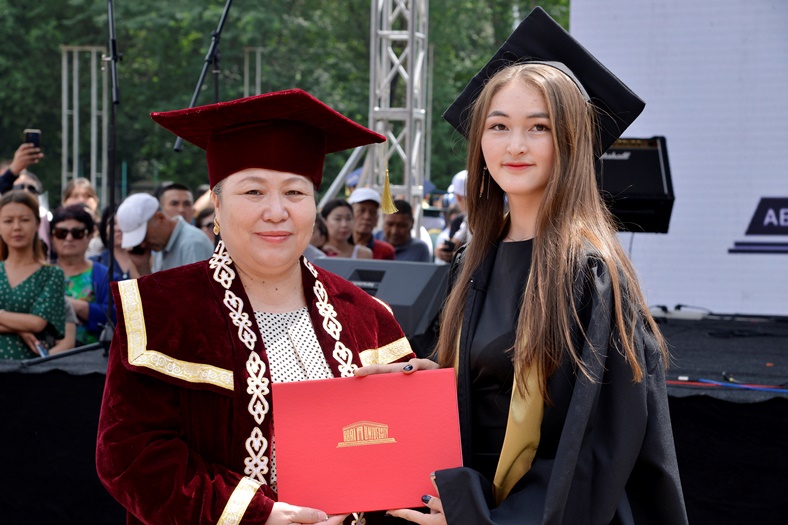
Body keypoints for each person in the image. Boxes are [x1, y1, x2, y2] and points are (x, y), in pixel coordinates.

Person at [358, 7, 687, 524]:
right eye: (498, 126)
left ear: (571, 142)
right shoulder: (473, 260)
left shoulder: (590, 274)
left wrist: (483, 518)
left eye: (539, 127)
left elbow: (596, 446)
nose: (514, 145)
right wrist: (435, 380)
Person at [96, 88, 416, 525]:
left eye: (295, 192)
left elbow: (401, 458)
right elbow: (129, 456)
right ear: (217, 204)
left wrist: (420, 402)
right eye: (253, 191)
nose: (277, 211)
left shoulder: (367, 316)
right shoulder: (160, 310)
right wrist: (259, 514)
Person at [0, 190, 65, 359]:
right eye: (8, 221)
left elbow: (37, 323)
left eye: (24, 220)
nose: (16, 227)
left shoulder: (52, 274)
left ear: (37, 224)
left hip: (29, 368)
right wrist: (20, 329)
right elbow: (29, 323)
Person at [50, 204, 111, 346]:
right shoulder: (40, 273)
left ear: (90, 236)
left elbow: (118, 316)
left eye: (77, 233)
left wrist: (73, 305)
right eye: (61, 233)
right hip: (48, 355)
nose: (69, 238)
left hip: (94, 355)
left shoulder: (106, 276)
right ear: (52, 237)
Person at [116, 192, 214, 275]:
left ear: (160, 217)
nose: (143, 245)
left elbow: (196, 291)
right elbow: (158, 291)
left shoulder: (192, 243)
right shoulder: (163, 244)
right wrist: (143, 267)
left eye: (144, 236)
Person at [90, 205, 139, 281]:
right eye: (113, 224)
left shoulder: (149, 259)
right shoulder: (95, 263)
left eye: (123, 222)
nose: (119, 228)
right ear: (104, 231)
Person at [347, 187, 395, 260]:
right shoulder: (336, 247)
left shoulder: (385, 251)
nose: (367, 217)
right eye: (361, 211)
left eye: (373, 212)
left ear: (377, 219)